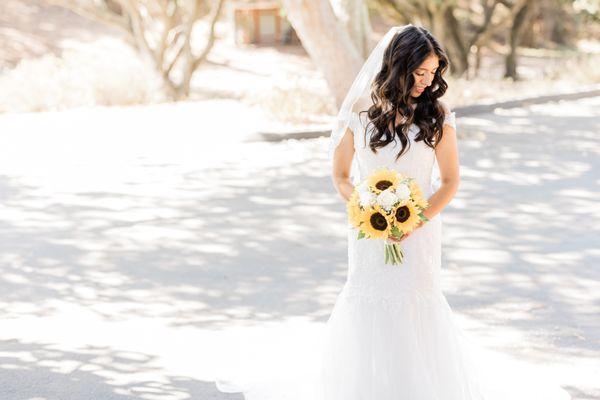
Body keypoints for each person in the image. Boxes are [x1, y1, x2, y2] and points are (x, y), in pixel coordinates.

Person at [216, 25, 572, 400]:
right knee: (367, 301)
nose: (427, 80)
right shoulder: (358, 114)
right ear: (398, 66)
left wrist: (414, 221)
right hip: (367, 230)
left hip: (421, 230)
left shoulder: (438, 115)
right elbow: (340, 176)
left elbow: (450, 182)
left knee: (416, 305)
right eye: (420, 72)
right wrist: (366, 209)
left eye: (433, 73)